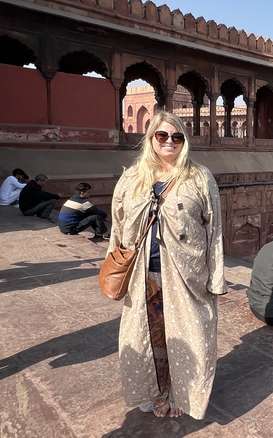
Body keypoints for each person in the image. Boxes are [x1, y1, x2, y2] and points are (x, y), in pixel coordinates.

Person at [108, 111, 226, 420]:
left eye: (177, 136)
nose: (169, 142)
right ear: (151, 139)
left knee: (189, 338)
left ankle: (179, 396)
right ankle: (156, 392)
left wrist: (215, 279)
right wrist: (114, 266)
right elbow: (118, 228)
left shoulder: (200, 177)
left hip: (187, 277)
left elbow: (214, 232)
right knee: (151, 339)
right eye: (162, 136)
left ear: (185, 140)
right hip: (142, 275)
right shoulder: (132, 178)